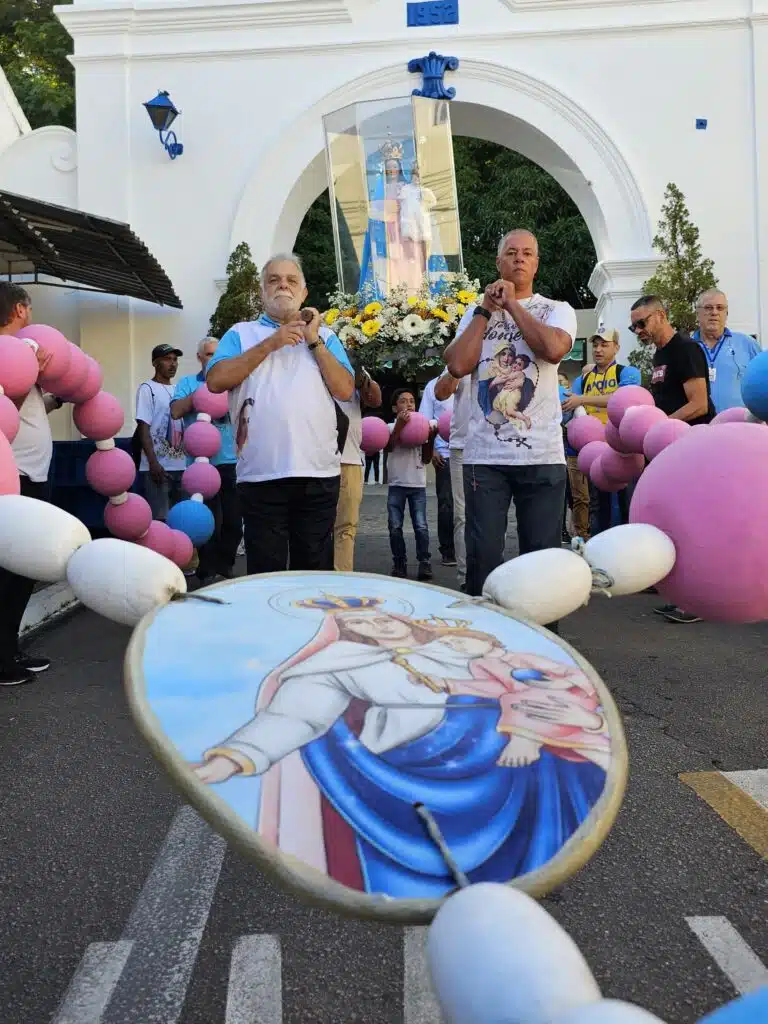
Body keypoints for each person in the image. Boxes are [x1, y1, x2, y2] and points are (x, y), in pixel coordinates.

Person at [192, 596, 607, 897]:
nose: (380, 627)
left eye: (379, 618)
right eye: (363, 627)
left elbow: (534, 682)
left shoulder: (459, 642)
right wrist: (233, 758)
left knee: (552, 813)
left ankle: (536, 872)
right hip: (418, 769)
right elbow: (298, 715)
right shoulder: (339, 664)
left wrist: (533, 726)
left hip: (509, 760)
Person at [443, 229, 577, 627]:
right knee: (483, 555)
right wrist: (485, 310)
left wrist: (515, 307)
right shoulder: (475, 312)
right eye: (511, 253)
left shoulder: (557, 309)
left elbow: (553, 350)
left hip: (542, 456)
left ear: (536, 263)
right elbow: (457, 365)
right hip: (485, 458)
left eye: (528, 254)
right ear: (499, 262)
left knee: (541, 558)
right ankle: (485, 637)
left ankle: (545, 644)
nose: (519, 259)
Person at [206, 253, 354, 574]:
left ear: (304, 293)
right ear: (262, 292)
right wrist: (271, 343)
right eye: (273, 280)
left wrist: (314, 342)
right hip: (261, 477)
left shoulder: (325, 337)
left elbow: (344, 389)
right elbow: (216, 380)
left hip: (318, 475)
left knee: (314, 575)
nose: (282, 285)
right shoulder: (240, 334)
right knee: (266, 575)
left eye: (291, 280)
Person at [630, 295, 714, 623]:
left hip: (690, 449)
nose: (638, 330)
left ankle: (695, 600)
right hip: (667, 449)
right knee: (670, 521)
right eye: (633, 325)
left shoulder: (685, 349)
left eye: (642, 322)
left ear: (661, 316)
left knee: (691, 524)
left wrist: (661, 427)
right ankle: (676, 588)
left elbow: (700, 404)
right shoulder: (661, 355)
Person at [0, 284, 64, 686]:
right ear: (21, 309)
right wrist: (30, 375)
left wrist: (54, 397)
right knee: (10, 572)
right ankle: (3, 661)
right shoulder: (8, 355)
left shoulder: (24, 355)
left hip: (35, 473)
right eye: (30, 307)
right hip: (15, 475)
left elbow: (27, 410)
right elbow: (6, 407)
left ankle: (10, 650)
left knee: (23, 574)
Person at [170, 337, 242, 584]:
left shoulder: (232, 384)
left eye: (218, 354)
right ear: (200, 357)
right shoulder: (188, 383)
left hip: (229, 461)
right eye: (209, 354)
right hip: (200, 466)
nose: (214, 359)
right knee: (208, 519)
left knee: (233, 520)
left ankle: (226, 564)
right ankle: (207, 569)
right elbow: (176, 411)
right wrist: (203, 395)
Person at [562, 329, 642, 535]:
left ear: (616, 347)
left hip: (623, 448)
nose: (598, 349)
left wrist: (582, 400)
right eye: (595, 345)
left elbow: (623, 399)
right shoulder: (583, 380)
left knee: (626, 502)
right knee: (597, 505)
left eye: (604, 345)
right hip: (593, 451)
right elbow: (571, 405)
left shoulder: (628, 372)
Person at [334, 367, 382, 572]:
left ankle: (340, 581)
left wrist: (361, 378)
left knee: (346, 527)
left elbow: (375, 399)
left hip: (349, 461)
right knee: (312, 527)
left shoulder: (351, 366)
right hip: (311, 460)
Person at [386, 388, 435, 580]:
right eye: (403, 401)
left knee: (421, 526)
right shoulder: (390, 427)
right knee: (395, 526)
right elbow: (388, 447)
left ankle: (424, 563)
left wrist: (430, 437)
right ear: (394, 407)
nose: (408, 404)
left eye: (412, 401)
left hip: (417, 485)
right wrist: (399, 426)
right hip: (396, 484)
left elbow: (427, 458)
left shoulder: (422, 426)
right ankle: (399, 563)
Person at [135, 343, 186, 521]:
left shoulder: (179, 390)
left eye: (175, 360)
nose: (172, 364)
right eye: (167, 359)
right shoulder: (147, 389)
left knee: (182, 521)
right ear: (155, 363)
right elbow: (143, 428)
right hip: (159, 469)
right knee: (161, 520)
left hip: (182, 467)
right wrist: (153, 463)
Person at [691, 289, 761, 413]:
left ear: (726, 313)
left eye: (720, 308)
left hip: (739, 426)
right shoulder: (686, 348)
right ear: (697, 313)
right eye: (708, 308)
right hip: (699, 428)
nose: (714, 312)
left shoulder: (747, 343)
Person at [435, 372, 470, 589]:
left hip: (496, 447)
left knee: (494, 516)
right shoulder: (462, 343)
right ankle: (465, 580)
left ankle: (492, 572)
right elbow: (440, 392)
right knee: (462, 516)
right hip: (462, 447)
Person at [419, 370, 456, 567]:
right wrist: (431, 449)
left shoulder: (475, 380)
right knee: (447, 504)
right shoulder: (433, 386)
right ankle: (448, 550)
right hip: (445, 454)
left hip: (473, 454)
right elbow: (424, 421)